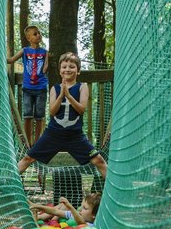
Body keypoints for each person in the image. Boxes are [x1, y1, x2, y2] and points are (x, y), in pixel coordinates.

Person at [18, 52, 107, 182]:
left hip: (75, 135)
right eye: (64, 67)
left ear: (78, 71)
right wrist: (61, 95)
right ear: (60, 71)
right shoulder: (55, 88)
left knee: (98, 160)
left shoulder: (82, 87)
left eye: (72, 67)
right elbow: (53, 112)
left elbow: (81, 109)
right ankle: (8, 182)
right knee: (28, 158)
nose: (67, 69)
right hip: (54, 134)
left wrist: (69, 96)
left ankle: (117, 192)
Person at [7, 25, 48, 146]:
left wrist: (46, 65)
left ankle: (37, 143)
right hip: (28, 88)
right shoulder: (25, 51)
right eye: (35, 34)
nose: (38, 35)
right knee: (28, 115)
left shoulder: (44, 52)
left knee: (39, 116)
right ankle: (28, 142)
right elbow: (11, 60)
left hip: (41, 88)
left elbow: (45, 68)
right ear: (29, 38)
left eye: (39, 33)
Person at [29, 193, 102, 226]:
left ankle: (36, 221)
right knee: (62, 207)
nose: (80, 210)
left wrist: (70, 207)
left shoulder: (93, 226)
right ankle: (38, 216)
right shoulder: (76, 215)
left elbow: (81, 223)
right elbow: (55, 211)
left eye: (85, 208)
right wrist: (38, 206)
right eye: (81, 206)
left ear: (94, 215)